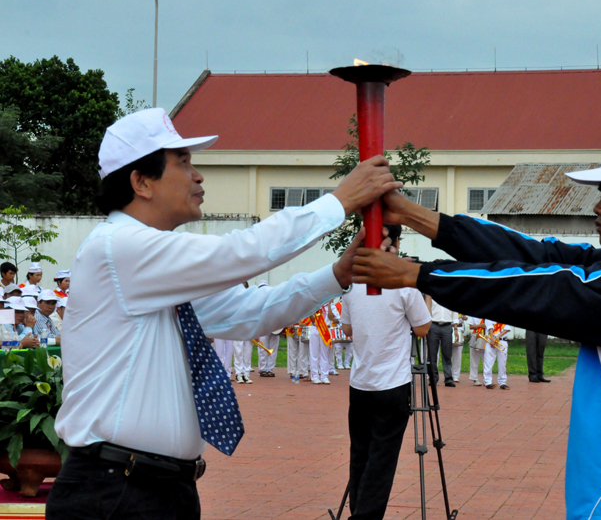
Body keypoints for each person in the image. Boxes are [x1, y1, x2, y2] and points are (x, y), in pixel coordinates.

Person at [352, 140, 601, 520]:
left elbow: (547, 287)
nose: (596, 207)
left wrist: (416, 274)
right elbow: (535, 255)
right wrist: (410, 214)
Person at [47, 107, 401, 520]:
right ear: (141, 182)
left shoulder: (151, 266)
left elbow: (249, 311)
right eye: (183, 163)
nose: (198, 176)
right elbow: (243, 251)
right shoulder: (118, 247)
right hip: (116, 490)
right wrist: (339, 202)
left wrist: (338, 274)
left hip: (155, 488)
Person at [340, 224, 432, 520]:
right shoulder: (402, 280)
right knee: (382, 459)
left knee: (360, 456)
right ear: (396, 241)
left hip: (361, 383)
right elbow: (422, 328)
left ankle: (359, 511)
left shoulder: (354, 280)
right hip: (392, 385)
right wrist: (423, 292)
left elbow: (348, 328)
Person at [427, 298, 458, 387]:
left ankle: (448, 378)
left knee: (447, 354)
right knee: (432, 355)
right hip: (433, 325)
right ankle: (433, 378)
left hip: (447, 326)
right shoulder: (432, 295)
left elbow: (454, 312)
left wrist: (455, 328)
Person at [308, 303, 333, 384]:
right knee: (314, 354)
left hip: (326, 329)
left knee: (324, 354)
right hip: (315, 328)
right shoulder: (315, 304)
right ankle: (315, 376)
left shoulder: (331, 305)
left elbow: (331, 317)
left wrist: (329, 305)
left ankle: (324, 376)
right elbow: (312, 319)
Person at [483, 321, 511, 390]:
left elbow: (507, 328)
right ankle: (488, 382)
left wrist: (498, 336)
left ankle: (502, 382)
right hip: (490, 340)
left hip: (502, 340)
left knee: (502, 363)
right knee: (488, 362)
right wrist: (492, 338)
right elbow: (490, 327)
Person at [466, 316, 487, 386]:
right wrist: (479, 326)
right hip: (477, 336)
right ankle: (474, 378)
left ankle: (486, 379)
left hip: (486, 337)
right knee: (474, 359)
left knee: (486, 360)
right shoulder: (474, 314)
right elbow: (470, 327)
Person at [450, 314, 466, 382]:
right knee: (448, 355)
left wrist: (464, 318)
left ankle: (456, 375)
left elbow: (467, 318)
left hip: (459, 330)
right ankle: (448, 374)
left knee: (458, 356)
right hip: (449, 328)